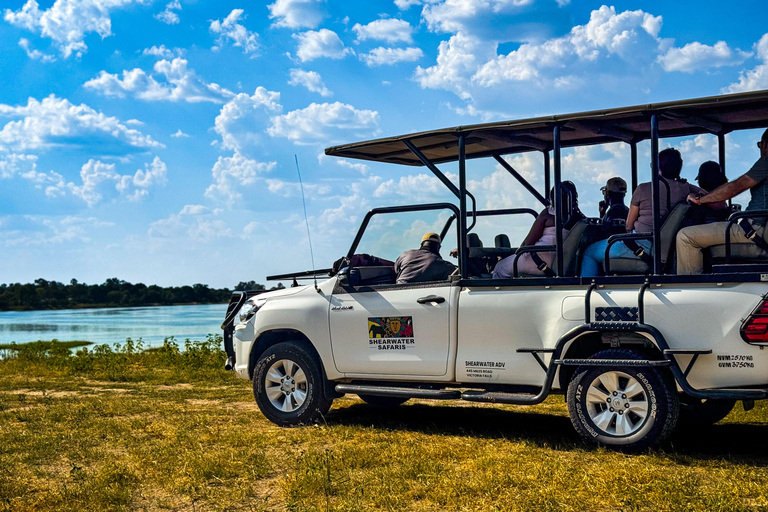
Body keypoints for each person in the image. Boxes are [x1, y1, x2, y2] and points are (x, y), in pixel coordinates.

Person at [581, 148, 709, 277]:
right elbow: (711, 198)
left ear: (657, 166)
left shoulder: (643, 188)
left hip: (640, 244)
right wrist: (692, 195)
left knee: (588, 252)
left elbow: (628, 226)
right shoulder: (686, 188)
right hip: (667, 248)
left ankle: (586, 292)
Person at [677, 129, 768, 275]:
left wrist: (701, 199)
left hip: (755, 228)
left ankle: (691, 291)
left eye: (759, 145)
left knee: (685, 237)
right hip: (759, 227)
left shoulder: (766, 161)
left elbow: (736, 187)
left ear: (765, 144)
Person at [493, 181, 584, 278]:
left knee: (500, 268)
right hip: (559, 261)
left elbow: (527, 243)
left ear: (553, 197)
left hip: (539, 259)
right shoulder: (579, 219)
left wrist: (518, 252)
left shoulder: (548, 214)